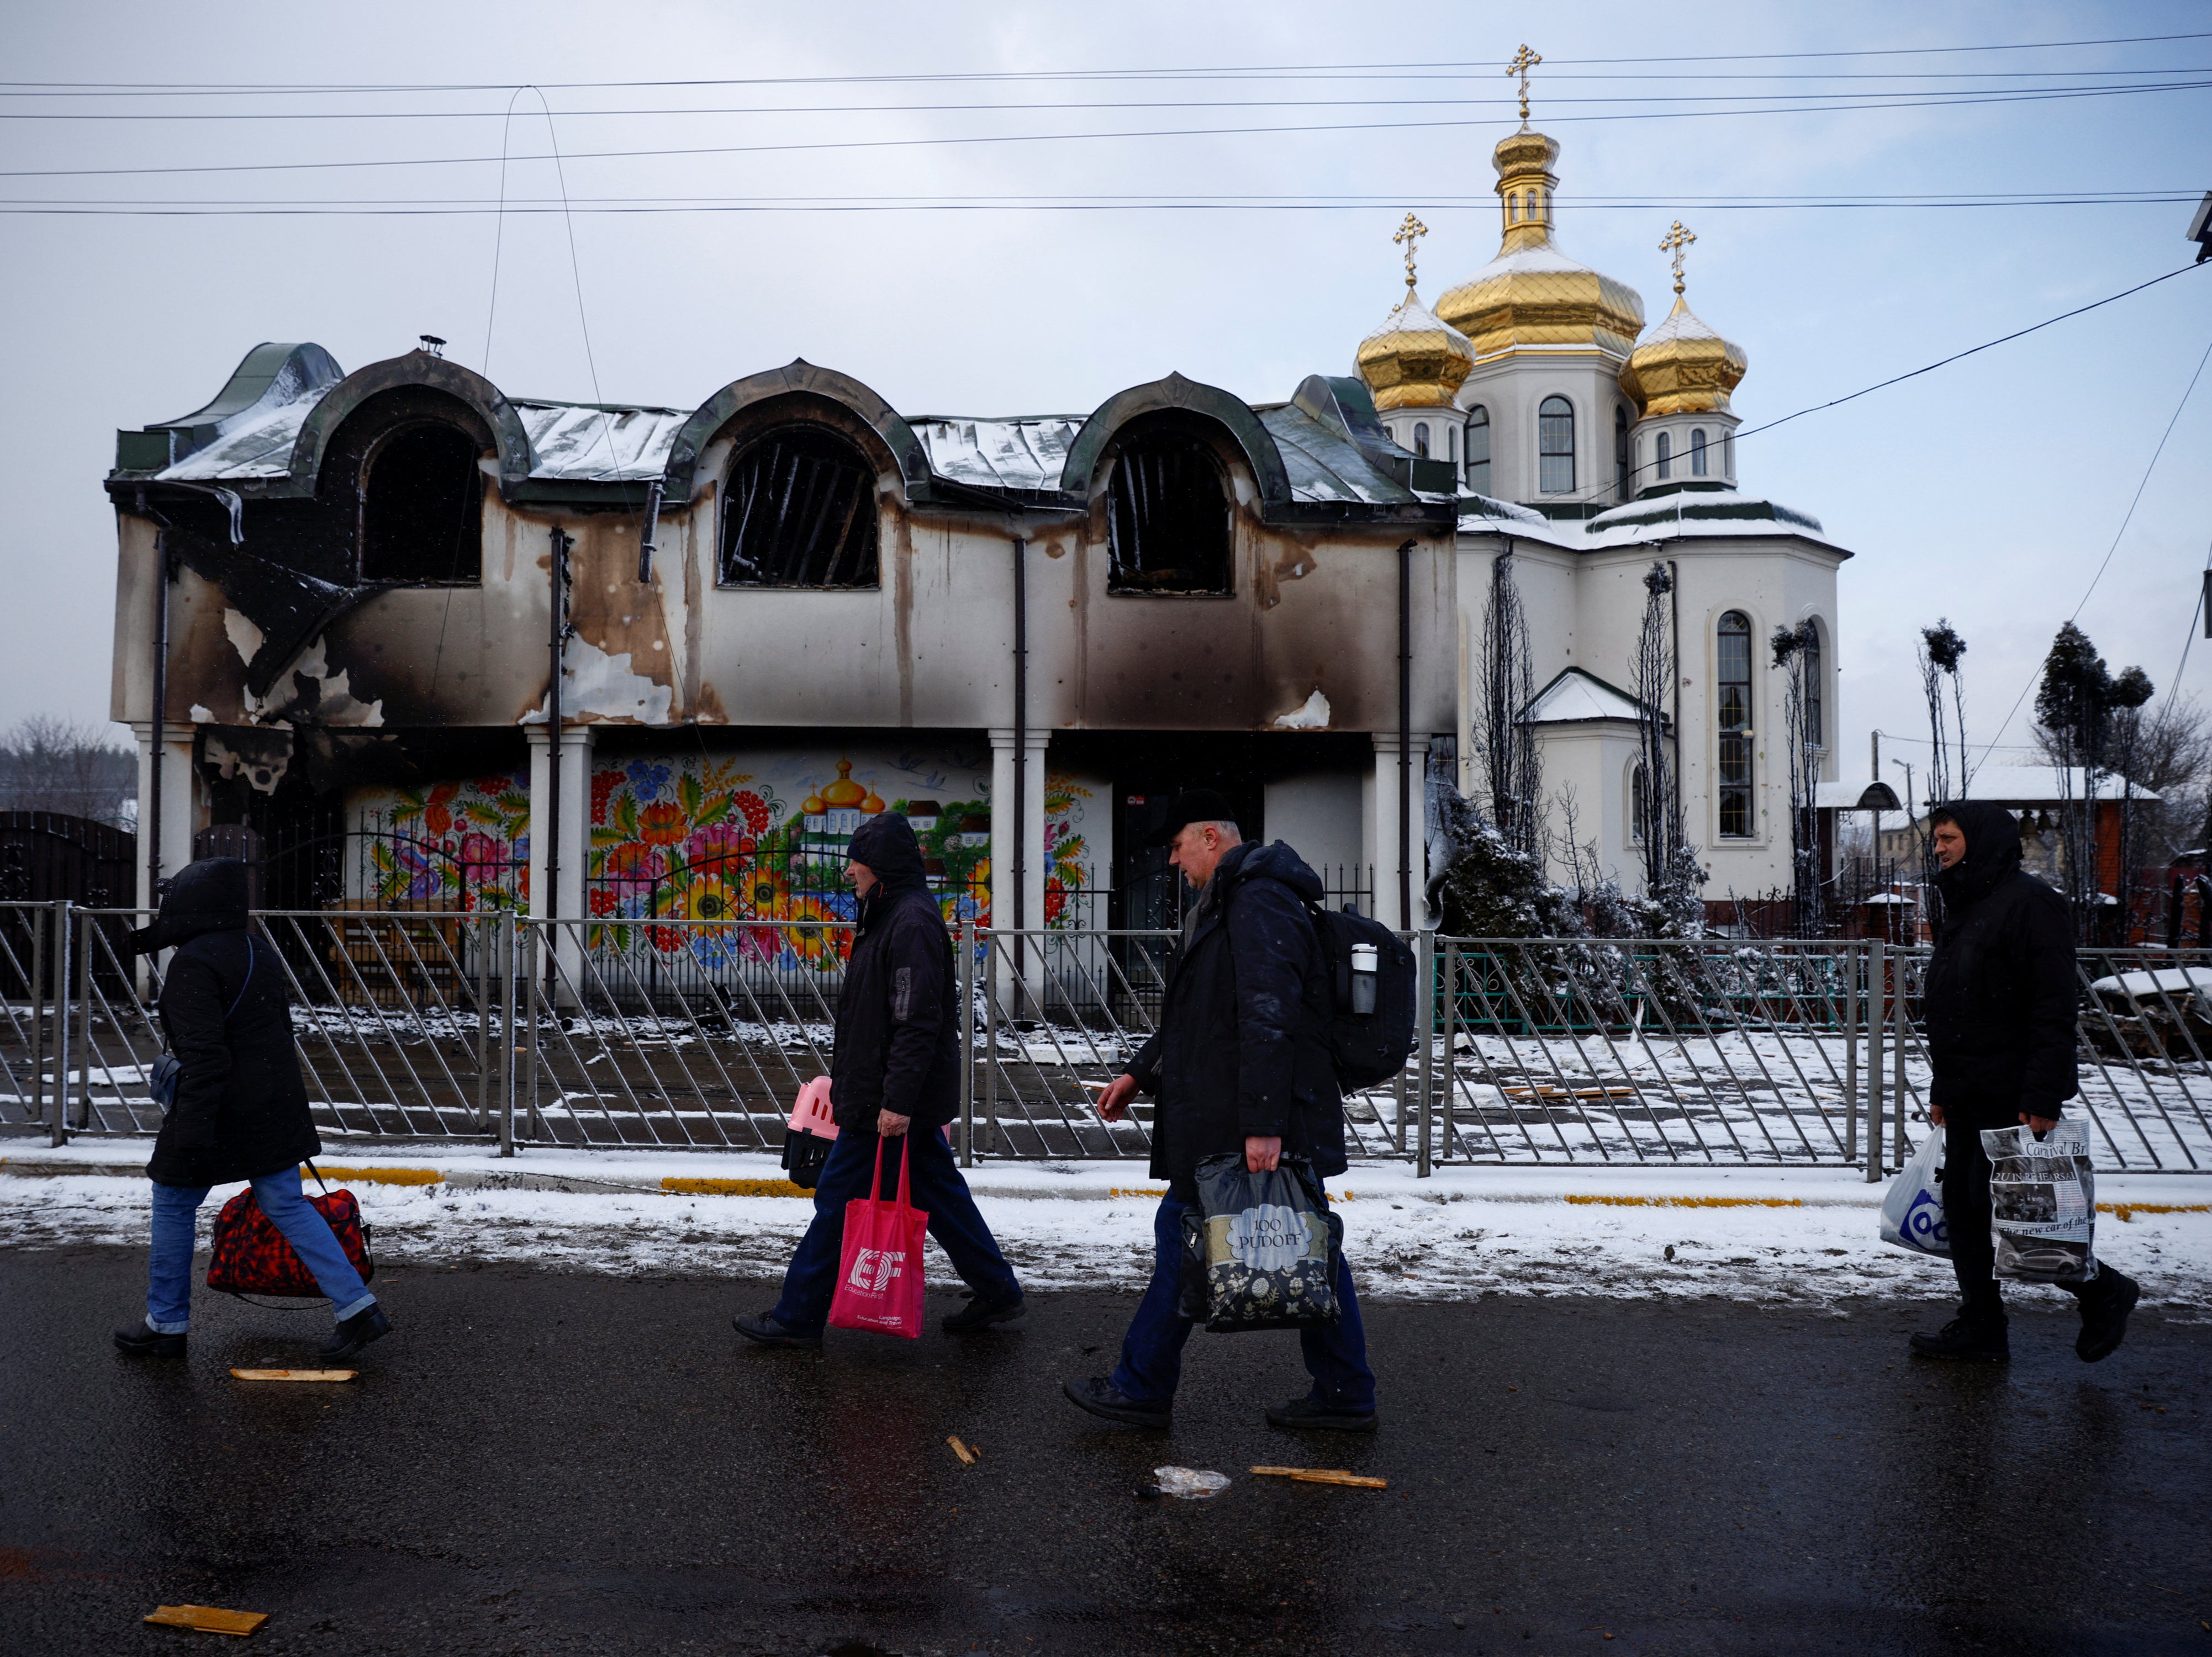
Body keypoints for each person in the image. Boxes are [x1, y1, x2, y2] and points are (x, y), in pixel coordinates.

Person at [1064, 790, 1376, 1432]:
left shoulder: (1258, 899)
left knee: (1193, 1239)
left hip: (1246, 1119)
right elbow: (1198, 1015)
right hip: (1232, 1112)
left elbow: (1270, 1014)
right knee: (1306, 1247)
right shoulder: (1231, 901)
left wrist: (1264, 1123)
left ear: (1211, 836)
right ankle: (1345, 1390)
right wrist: (1139, 1071)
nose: (1174, 862)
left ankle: (1143, 1385)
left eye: (1177, 847)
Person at [735, 812, 1024, 1346]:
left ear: (881, 869)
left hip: (885, 1103)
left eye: (858, 864)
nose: (850, 873)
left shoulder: (908, 922)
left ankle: (797, 1317)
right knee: (940, 1194)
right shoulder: (891, 913)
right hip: (889, 1093)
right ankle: (998, 1290)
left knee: (838, 1201)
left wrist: (894, 1100)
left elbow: (915, 1020)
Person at [112, 857, 389, 1362]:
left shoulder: (193, 962)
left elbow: (204, 1055)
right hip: (272, 1104)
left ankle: (166, 1324)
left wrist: (191, 1131)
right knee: (286, 1204)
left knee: (173, 1202)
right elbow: (277, 1032)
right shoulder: (257, 950)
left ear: (191, 906)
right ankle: (359, 1309)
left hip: (217, 1108)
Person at [1911, 801, 2139, 1364]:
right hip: (1967, 1089)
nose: (1937, 847)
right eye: (1935, 839)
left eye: (1947, 837)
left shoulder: (2034, 905)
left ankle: (2104, 1291)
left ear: (1982, 840)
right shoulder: (1965, 902)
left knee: (2019, 1212)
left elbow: (2053, 1006)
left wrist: (2043, 1095)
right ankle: (1982, 1327)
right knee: (1964, 1210)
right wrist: (1943, 1087)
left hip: (2012, 1093)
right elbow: (1953, 1005)